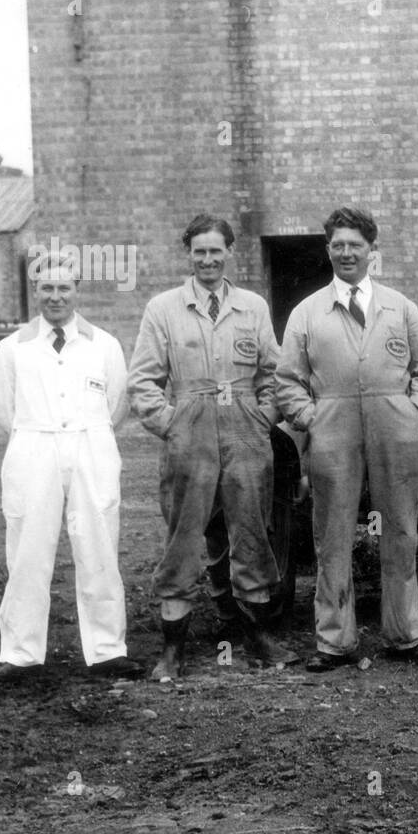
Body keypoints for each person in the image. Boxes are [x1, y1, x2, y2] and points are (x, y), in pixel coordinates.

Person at [128, 213, 297, 680]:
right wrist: (171, 424)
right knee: (183, 539)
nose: (207, 259)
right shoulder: (163, 308)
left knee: (252, 533)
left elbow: (275, 373)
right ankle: (172, 652)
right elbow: (142, 381)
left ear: (229, 253)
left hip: (245, 431)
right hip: (191, 430)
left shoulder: (252, 306)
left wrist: (265, 416)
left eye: (215, 251)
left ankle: (259, 640)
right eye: (198, 251)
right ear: (189, 254)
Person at [275, 207, 418, 671]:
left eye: (356, 245)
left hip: (395, 425)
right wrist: (312, 416)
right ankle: (333, 641)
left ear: (373, 251)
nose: (347, 253)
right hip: (333, 425)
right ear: (328, 250)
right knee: (331, 533)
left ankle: (405, 635)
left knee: (402, 530)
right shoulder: (307, 311)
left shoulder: (400, 307)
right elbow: (287, 379)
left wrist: (415, 410)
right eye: (338, 245)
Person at [0, 256, 140, 682]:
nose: (55, 296)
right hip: (34, 447)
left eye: (64, 288)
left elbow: (118, 406)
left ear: (77, 290)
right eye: (46, 288)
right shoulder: (12, 347)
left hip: (91, 446)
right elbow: (3, 409)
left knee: (99, 545)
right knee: (27, 551)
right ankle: (20, 654)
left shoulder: (104, 344)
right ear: (35, 291)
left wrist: (84, 437)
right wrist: (38, 435)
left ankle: (108, 649)